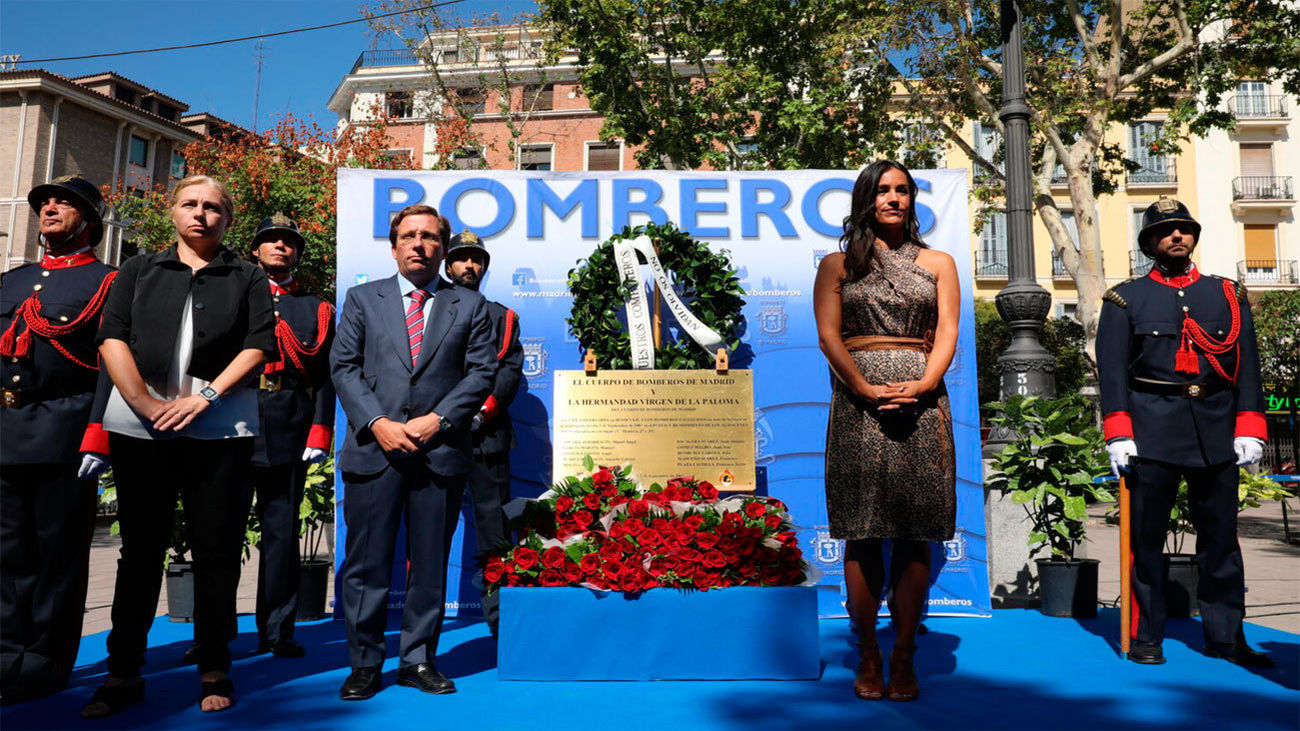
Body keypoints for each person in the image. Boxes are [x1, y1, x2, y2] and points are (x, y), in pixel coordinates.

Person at [82, 175, 276, 717]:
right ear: (171, 212)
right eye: (190, 204)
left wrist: (207, 397)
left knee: (217, 551)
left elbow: (259, 346)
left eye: (213, 207)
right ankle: (123, 671)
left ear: (228, 219)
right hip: (140, 428)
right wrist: (143, 402)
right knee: (140, 551)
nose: (201, 214)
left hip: (219, 428)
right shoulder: (138, 269)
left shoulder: (248, 276)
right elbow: (112, 336)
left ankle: (214, 665)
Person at [1097, 196, 1273, 668]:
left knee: (1221, 541)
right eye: (1166, 230)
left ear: (1194, 237)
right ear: (1150, 242)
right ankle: (1147, 635)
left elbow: (1247, 367)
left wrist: (1250, 424)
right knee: (1146, 540)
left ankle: (1226, 635)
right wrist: (1118, 431)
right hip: (1151, 432)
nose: (1177, 236)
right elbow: (1112, 373)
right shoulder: (1125, 298)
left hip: (1216, 431)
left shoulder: (1227, 294)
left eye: (1184, 229)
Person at [330, 204, 496, 700]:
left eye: (429, 237)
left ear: (443, 249)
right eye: (409, 235)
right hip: (374, 451)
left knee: (428, 565)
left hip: (438, 452)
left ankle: (418, 660)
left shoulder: (470, 306)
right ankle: (364, 663)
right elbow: (344, 367)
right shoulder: (362, 298)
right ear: (394, 244)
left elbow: (481, 374)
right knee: (366, 565)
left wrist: (438, 420)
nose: (419, 244)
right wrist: (378, 423)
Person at [813, 160, 959, 703]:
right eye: (882, 191)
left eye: (901, 190)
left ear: (911, 199)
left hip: (924, 401)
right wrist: (866, 389)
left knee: (915, 530)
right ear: (865, 200)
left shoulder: (939, 262)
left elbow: (947, 332)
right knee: (862, 529)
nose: (892, 199)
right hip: (857, 402)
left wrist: (922, 385)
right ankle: (868, 653)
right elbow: (830, 338)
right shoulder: (836, 265)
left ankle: (903, 655)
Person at [1, 175, 116, 704]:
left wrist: (98, 434)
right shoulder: (12, 281)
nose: (50, 207)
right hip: (6, 433)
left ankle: (44, 662)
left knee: (56, 556)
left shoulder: (108, 283)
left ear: (88, 219)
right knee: (6, 554)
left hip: (64, 436)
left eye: (64, 202)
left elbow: (110, 372)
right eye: (45, 201)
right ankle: (5, 656)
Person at [247, 213, 335, 657]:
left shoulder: (316, 309)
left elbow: (324, 377)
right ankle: (214, 631)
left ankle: (277, 629)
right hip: (233, 423)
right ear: (255, 250)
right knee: (218, 535)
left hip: (288, 425)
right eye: (271, 240)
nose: (280, 246)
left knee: (282, 534)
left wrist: (319, 432)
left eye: (288, 242)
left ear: (297, 252)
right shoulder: (233, 297)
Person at [443, 229, 523, 636]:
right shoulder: (428, 309)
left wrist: (481, 412)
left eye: (477, 259)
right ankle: (423, 624)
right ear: (448, 264)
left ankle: (500, 623)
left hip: (486, 436)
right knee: (430, 532)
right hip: (434, 438)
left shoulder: (502, 316)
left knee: (494, 533)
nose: (469, 265)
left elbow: (507, 371)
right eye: (461, 258)